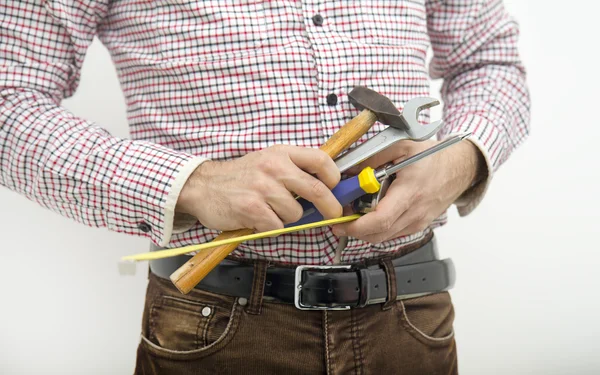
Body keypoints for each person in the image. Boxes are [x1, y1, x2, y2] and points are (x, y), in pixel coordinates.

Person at [0, 1, 530, 374]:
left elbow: (490, 62)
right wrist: (193, 183)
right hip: (215, 327)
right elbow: (9, 101)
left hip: (412, 319)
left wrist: (458, 160)